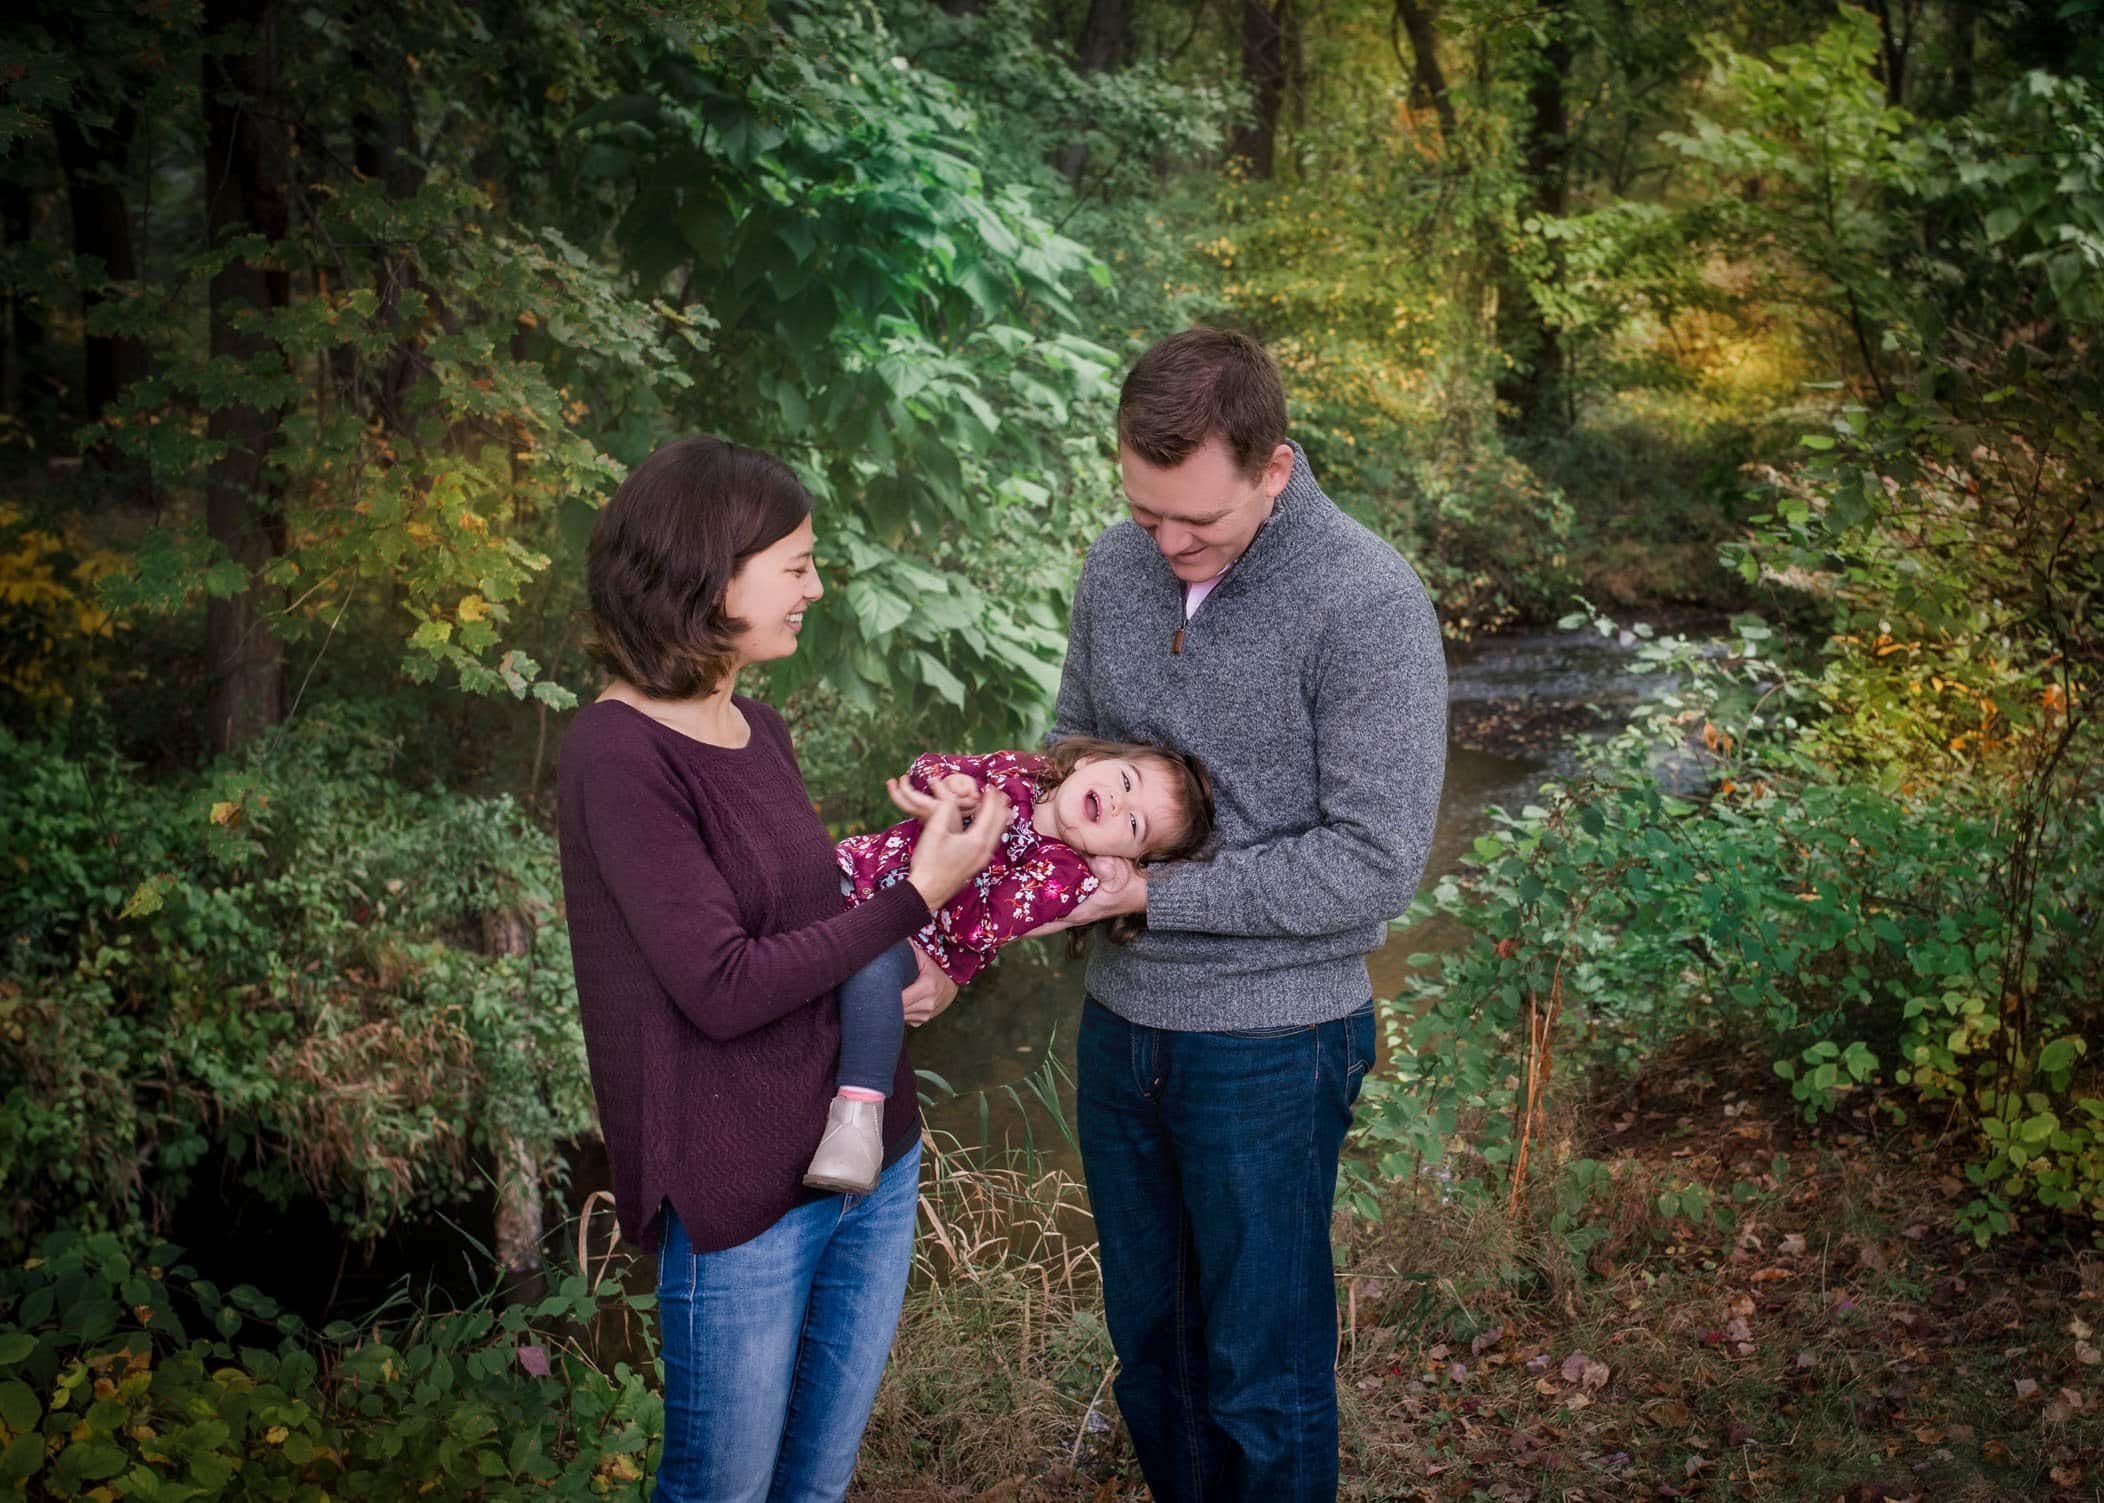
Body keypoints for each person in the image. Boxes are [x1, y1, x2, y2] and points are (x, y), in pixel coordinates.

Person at [914, 329, 1448, 1499]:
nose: (1165, 544)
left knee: (1262, 1375)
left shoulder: (1367, 603)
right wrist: (985, 833)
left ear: (1273, 468)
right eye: (1144, 512)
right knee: (1154, 1362)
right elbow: (1067, 757)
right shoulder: (1118, 566)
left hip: (1272, 1043)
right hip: (1122, 1032)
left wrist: (1156, 891)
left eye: (1193, 521)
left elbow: (1373, 867)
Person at [556, 435, 1008, 1503]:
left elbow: (809, 926)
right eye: (795, 563)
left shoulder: (759, 726)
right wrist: (919, 896)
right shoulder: (616, 754)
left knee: (815, 1485)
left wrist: (918, 943)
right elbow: (722, 984)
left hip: (870, 1161)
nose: (816, 585)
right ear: (712, 577)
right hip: (738, 1190)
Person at [802, 738, 1216, 1194]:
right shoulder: (1016, 772)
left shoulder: (1062, 876)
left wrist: (963, 850)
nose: (1120, 804)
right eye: (1125, 781)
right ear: (1090, 761)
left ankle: (857, 1122)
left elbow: (974, 929)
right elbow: (927, 766)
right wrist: (950, 787)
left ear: (1120, 857)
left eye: (1134, 823)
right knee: (790, 886)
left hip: (917, 939)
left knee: (874, 970)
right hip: (858, 873)